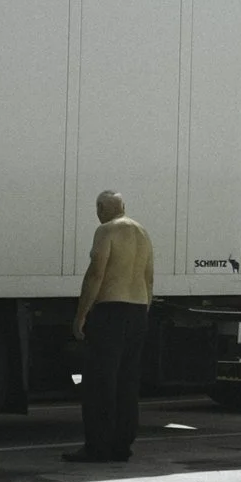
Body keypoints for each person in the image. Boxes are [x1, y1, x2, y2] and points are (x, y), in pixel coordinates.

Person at [67, 190, 154, 463]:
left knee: (100, 382)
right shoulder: (142, 233)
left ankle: (97, 446)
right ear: (123, 206)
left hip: (111, 310)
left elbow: (96, 274)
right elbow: (149, 277)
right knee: (127, 382)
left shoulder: (106, 231)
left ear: (101, 209)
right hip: (138, 309)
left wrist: (81, 315)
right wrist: (144, 309)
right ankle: (122, 445)